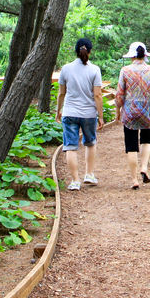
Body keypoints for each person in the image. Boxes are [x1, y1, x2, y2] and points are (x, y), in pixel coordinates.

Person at [115, 41, 150, 190]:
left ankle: (135, 179)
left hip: (129, 111)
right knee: (145, 141)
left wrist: (118, 111)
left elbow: (120, 94)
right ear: (144, 55)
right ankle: (144, 168)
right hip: (147, 111)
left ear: (132, 56)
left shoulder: (125, 70)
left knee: (131, 145)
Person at [56, 37, 102, 191]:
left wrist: (58, 111)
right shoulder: (95, 69)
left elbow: (61, 93)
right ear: (90, 52)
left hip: (69, 113)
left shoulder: (66, 68)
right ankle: (88, 174)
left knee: (70, 146)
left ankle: (75, 181)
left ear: (76, 51)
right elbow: (97, 95)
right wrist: (100, 116)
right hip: (89, 114)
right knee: (90, 143)